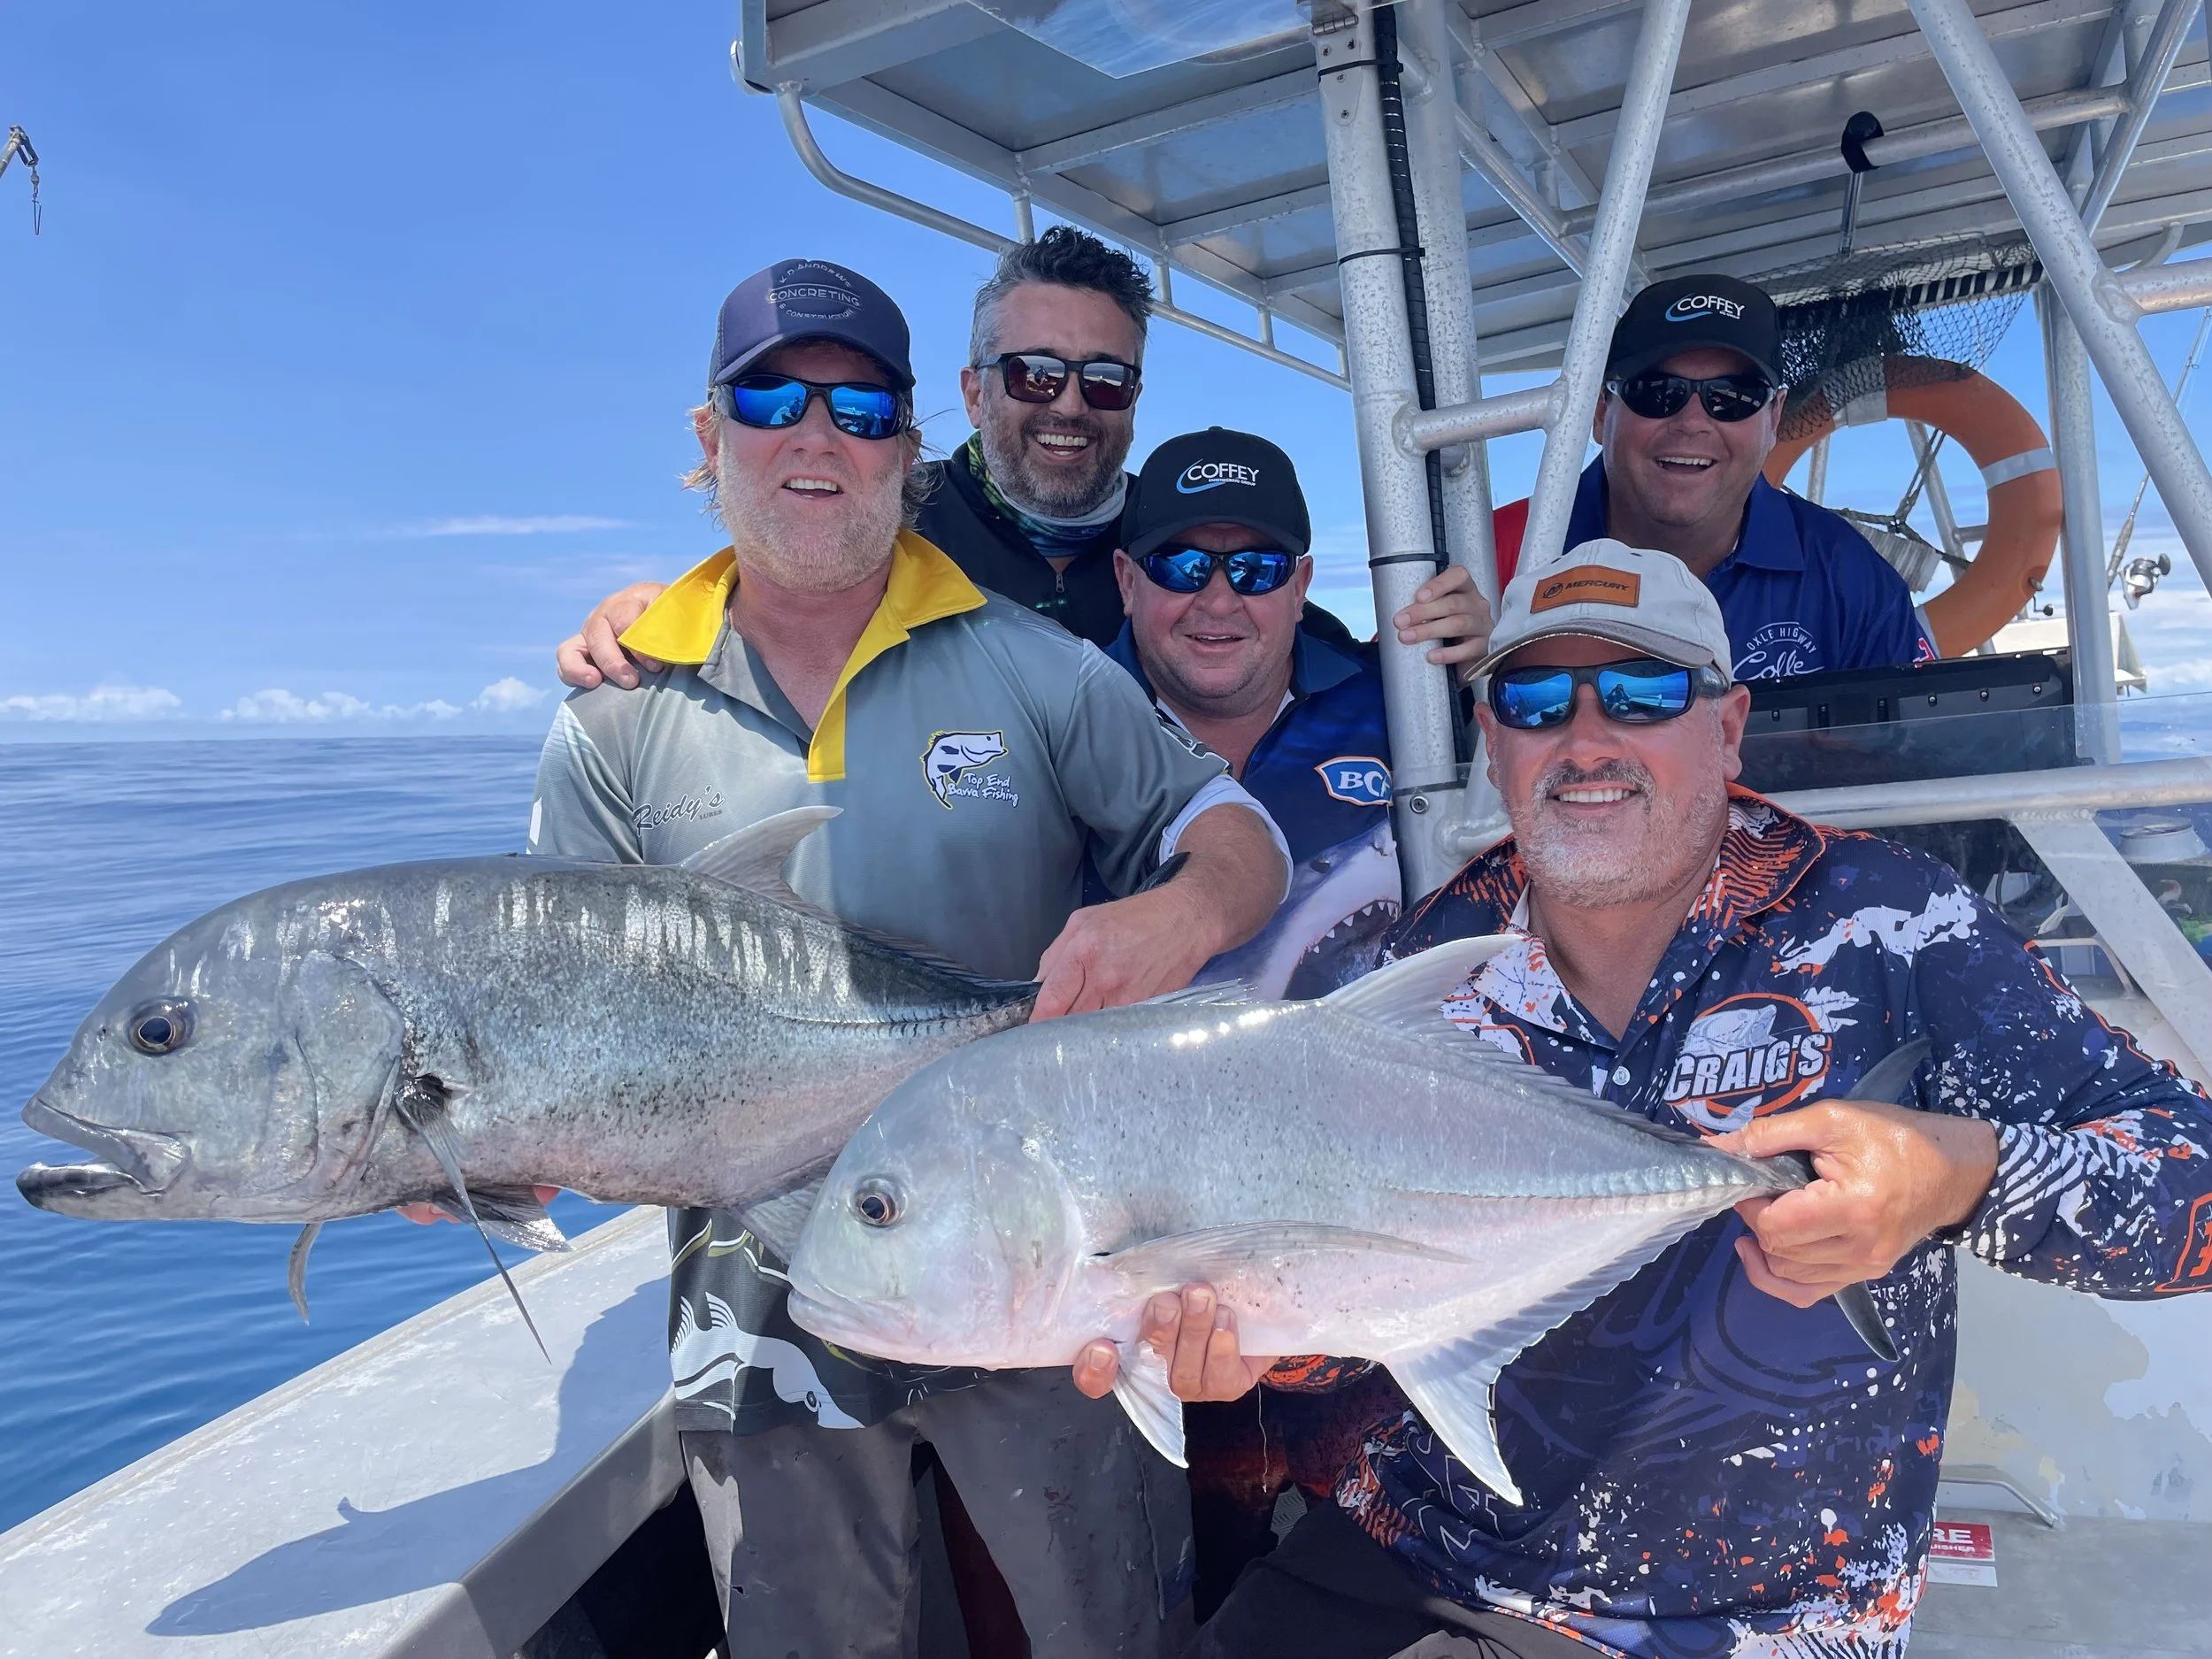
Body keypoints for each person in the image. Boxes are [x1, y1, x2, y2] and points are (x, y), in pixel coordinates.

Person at [1094, 537, 2212, 1657]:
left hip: (1757, 1616)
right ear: (1492, 739)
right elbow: (1360, 1306)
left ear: (1725, 728)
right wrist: (1244, 1335)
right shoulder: (1430, 963)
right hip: (1425, 1554)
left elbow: (2192, 1188)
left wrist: (1958, 1181)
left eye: (1641, 694)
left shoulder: (1888, 922)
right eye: (1534, 700)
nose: (1585, 742)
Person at [529, 256, 1290, 1658]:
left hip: (1045, 1244)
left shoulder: (1037, 667)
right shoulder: (614, 719)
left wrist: (1179, 911)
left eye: (861, 407)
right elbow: (544, 1013)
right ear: (710, 436)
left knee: (1109, 1625)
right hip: (755, 1281)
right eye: (773, 396)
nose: (817, 436)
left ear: (908, 443)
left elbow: (1240, 835)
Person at [558, 225, 1485, 685]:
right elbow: (782, 556)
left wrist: (1459, 655)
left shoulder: (1179, 554)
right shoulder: (888, 515)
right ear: (972, 391)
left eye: (1104, 380)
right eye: (1035, 374)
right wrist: (658, 610)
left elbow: (1302, 664)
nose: (1070, 406)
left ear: (1134, 400)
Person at [1493, 273, 1938, 680]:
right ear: (1600, 410)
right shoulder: (1497, 558)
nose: (1692, 422)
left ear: (1775, 416)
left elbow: (1917, 747)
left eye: (1732, 397)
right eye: (1658, 393)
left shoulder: (1851, 579)